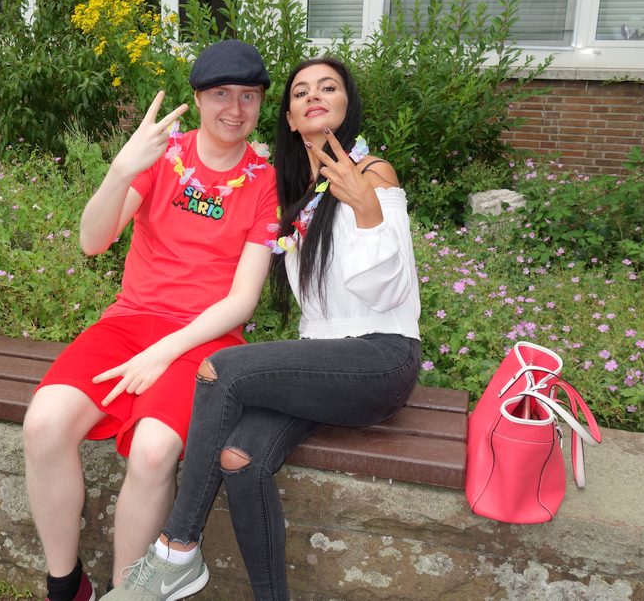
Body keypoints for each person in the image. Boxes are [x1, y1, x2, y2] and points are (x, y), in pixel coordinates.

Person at [104, 57, 422, 601]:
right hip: (322, 361)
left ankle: (176, 549)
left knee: (221, 369)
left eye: (328, 88)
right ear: (291, 119)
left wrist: (368, 211)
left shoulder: (372, 174)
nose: (314, 96)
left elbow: (389, 295)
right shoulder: (299, 192)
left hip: (380, 358)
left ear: (347, 105)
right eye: (301, 92)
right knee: (240, 458)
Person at [22, 40, 279, 601]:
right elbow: (93, 241)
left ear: (260, 102)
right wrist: (120, 170)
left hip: (206, 338)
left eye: (248, 96)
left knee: (155, 449)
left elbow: (242, 301)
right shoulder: (162, 156)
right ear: (198, 98)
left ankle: (126, 591)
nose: (234, 108)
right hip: (131, 320)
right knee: (44, 424)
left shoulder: (264, 181)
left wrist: (164, 352)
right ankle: (66, 586)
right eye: (220, 94)